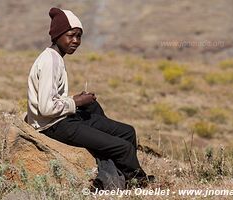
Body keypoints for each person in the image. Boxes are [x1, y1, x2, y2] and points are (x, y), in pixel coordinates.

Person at [27, 7, 154, 188]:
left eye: (79, 36)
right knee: (122, 147)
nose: (76, 41)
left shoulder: (55, 57)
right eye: (71, 35)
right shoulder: (50, 62)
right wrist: (75, 102)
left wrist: (76, 99)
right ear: (57, 35)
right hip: (52, 125)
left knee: (127, 131)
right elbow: (46, 108)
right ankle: (137, 182)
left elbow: (52, 98)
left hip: (61, 119)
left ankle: (115, 162)